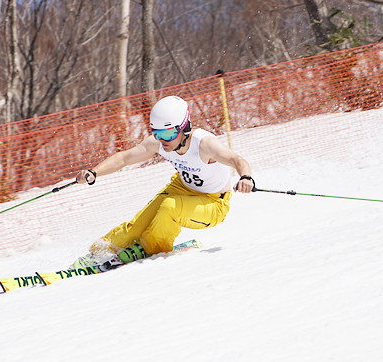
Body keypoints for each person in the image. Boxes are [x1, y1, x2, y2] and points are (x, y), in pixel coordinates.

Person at [74, 95, 254, 270]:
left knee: (169, 208)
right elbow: (125, 158)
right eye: (157, 133)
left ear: (184, 128)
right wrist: (94, 172)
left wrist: (245, 177)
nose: (163, 140)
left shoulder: (204, 145)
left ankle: (150, 247)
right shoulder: (160, 142)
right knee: (136, 227)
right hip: (182, 187)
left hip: (213, 202)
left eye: (168, 133)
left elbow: (237, 160)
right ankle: (98, 252)